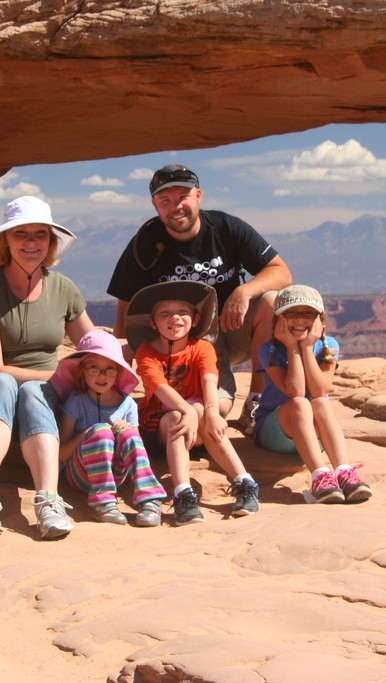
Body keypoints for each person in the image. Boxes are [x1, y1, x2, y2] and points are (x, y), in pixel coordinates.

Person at [107, 164, 292, 430]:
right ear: (154, 205)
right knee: (215, 407)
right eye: (165, 201)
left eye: (183, 197)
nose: (176, 207)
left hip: (233, 326)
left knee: (272, 300)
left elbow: (281, 272)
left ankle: (255, 401)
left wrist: (244, 291)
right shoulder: (145, 244)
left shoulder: (226, 227)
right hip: (188, 341)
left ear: (198, 196)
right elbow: (126, 307)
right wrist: (119, 362)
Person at [0, 195, 94, 539]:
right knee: (4, 382)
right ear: (6, 241)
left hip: (42, 398)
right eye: (21, 234)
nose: (31, 243)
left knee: (34, 390)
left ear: (50, 241)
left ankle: (49, 501)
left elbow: (91, 346)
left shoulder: (63, 288)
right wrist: (59, 374)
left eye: (40, 234)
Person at [125, 280, 261, 525]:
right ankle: (183, 494)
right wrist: (187, 410)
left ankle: (244, 483)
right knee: (180, 415)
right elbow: (160, 388)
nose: (174, 318)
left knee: (202, 409)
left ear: (196, 320)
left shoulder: (203, 348)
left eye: (183, 312)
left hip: (198, 423)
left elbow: (210, 381)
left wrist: (211, 412)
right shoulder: (146, 352)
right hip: (159, 426)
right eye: (165, 313)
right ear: (153, 323)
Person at [252, 285, 373, 504]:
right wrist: (293, 347)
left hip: (313, 436)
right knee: (300, 403)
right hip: (276, 432)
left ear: (319, 319)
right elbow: (295, 391)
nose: (299, 320)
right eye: (292, 313)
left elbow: (320, 390)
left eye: (307, 314)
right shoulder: (268, 350)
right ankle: (319, 477)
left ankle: (343, 473)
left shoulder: (329, 345)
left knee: (320, 403)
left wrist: (308, 347)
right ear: (279, 318)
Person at [50, 329, 168, 527]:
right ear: (82, 371)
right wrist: (88, 433)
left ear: (118, 373)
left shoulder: (128, 404)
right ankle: (101, 502)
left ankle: (149, 499)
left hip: (117, 474)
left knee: (128, 433)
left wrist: (126, 429)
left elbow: (137, 451)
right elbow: (60, 453)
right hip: (80, 475)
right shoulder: (76, 401)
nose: (102, 375)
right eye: (94, 368)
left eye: (110, 369)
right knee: (101, 431)